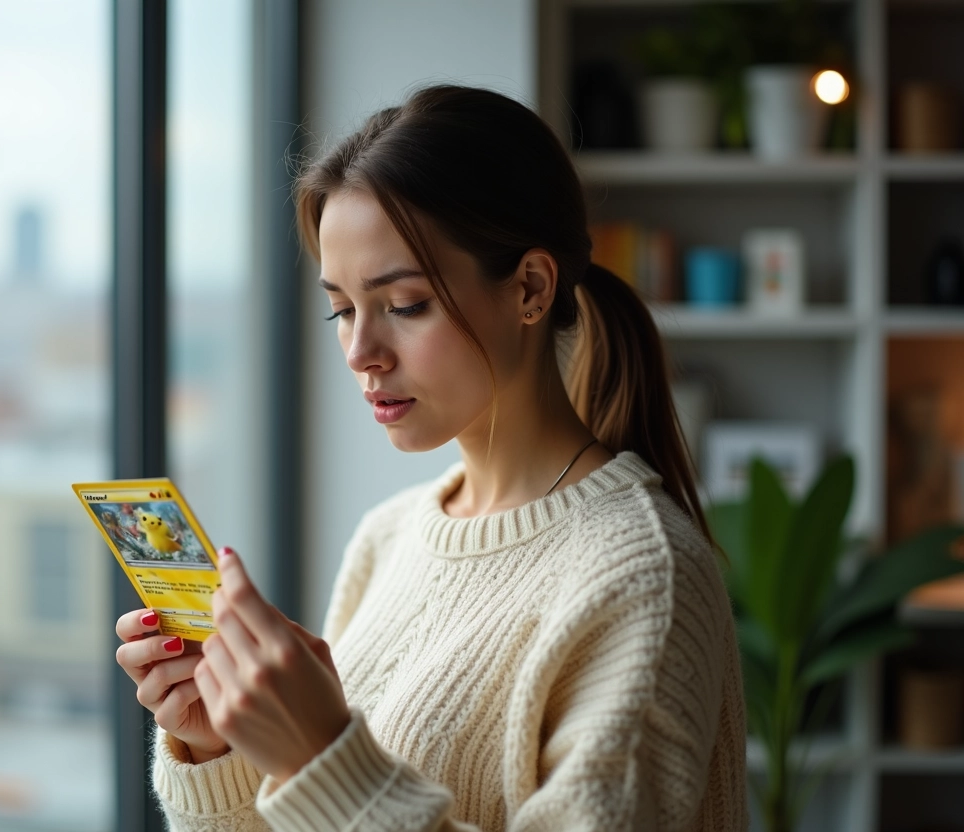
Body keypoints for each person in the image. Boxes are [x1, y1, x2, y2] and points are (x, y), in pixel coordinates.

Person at [114, 84, 747, 831]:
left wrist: (324, 755)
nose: (360, 353)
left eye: (405, 304)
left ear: (531, 289)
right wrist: (216, 745)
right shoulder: (389, 538)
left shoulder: (641, 573)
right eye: (342, 309)